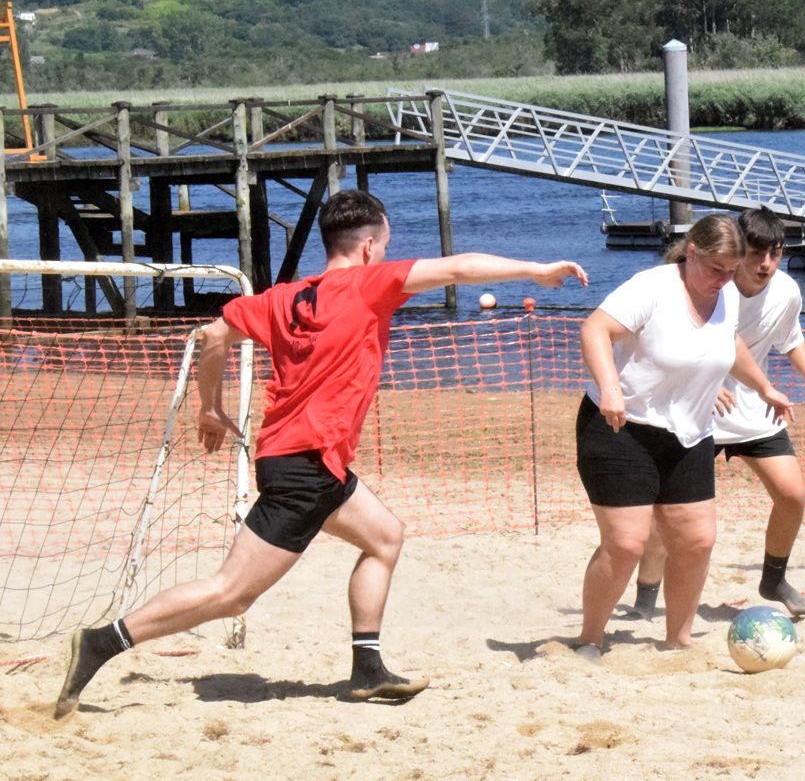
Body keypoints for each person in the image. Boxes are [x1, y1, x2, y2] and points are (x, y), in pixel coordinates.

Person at [55, 189, 588, 719]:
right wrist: (537, 270)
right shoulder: (367, 285)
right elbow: (461, 268)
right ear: (370, 246)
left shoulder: (283, 297)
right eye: (386, 245)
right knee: (232, 594)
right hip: (303, 465)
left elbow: (214, 336)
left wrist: (209, 408)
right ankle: (103, 641)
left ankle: (367, 669)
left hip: (310, 461)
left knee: (384, 536)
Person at [576, 213, 794, 658]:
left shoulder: (725, 293)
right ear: (691, 251)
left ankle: (678, 640)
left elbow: (728, 343)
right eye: (716, 269)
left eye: (731, 271)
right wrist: (612, 388)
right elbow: (595, 329)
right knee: (627, 544)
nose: (724, 279)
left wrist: (764, 386)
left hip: (690, 434)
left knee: (696, 542)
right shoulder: (652, 287)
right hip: (621, 427)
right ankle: (590, 639)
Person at [631, 209, 805, 620]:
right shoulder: (707, 284)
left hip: (752, 411)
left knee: (792, 493)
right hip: (692, 410)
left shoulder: (785, 291)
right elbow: (670, 340)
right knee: (666, 518)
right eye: (758, 253)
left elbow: (792, 339)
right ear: (737, 250)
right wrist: (705, 382)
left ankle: (774, 578)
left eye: (775, 253)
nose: (765, 264)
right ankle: (644, 596)